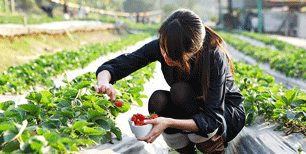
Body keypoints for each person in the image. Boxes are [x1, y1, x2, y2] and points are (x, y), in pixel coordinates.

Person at [95, 9, 245, 154]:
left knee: (180, 91)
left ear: (196, 49)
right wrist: (104, 82)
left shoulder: (214, 57)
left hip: (223, 114)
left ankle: (214, 150)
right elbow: (123, 63)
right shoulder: (165, 45)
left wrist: (169, 122)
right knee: (158, 100)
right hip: (191, 107)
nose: (165, 56)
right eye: (162, 47)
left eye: (173, 54)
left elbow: (212, 119)